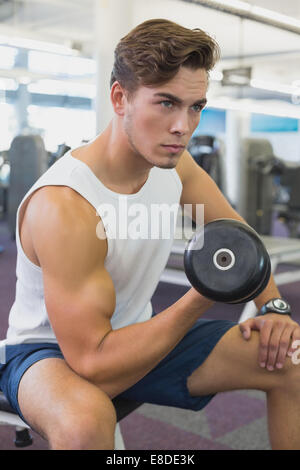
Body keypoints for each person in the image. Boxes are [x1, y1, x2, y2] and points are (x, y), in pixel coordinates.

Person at [1, 18, 300, 451]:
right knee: (86, 422)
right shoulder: (65, 205)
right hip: (51, 353)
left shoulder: (177, 167)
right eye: (166, 103)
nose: (183, 126)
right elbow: (93, 364)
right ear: (120, 98)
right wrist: (202, 293)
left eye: (196, 106)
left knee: (291, 358)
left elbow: (238, 236)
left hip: (139, 332)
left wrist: (271, 305)